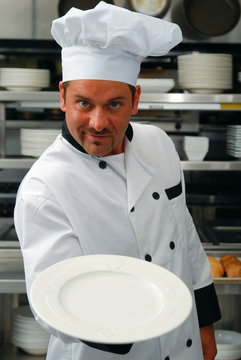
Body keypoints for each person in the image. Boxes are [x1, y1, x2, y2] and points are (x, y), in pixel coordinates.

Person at [14, 2, 221, 360]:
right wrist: (138, 321)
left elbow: (185, 239)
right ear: (62, 97)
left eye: (114, 105)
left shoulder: (158, 144)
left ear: (135, 99)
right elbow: (53, 304)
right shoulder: (44, 190)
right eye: (83, 103)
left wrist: (204, 326)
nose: (97, 123)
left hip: (182, 342)